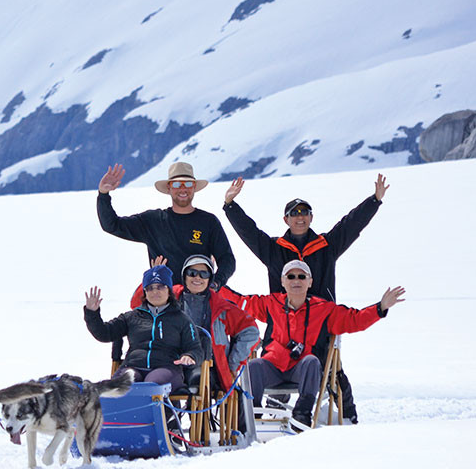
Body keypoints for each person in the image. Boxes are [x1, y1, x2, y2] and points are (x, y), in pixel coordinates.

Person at [219, 260, 406, 428]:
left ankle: (302, 415)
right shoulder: (271, 303)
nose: (296, 281)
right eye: (291, 276)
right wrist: (213, 283)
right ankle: (251, 416)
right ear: (283, 281)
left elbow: (354, 320)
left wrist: (380, 308)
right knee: (254, 365)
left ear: (310, 282)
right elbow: (239, 302)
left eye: (302, 277)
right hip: (274, 366)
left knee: (312, 361)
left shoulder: (324, 309)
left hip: (304, 371)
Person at [221, 174, 389, 300]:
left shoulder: (327, 246)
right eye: (294, 213)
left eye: (304, 213)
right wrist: (230, 205)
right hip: (284, 322)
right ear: (286, 220)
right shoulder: (273, 249)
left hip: (322, 321)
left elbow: (351, 224)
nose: (300, 217)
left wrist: (374, 201)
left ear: (311, 217)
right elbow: (248, 231)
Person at [98, 161, 236, 290]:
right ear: (169, 188)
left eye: (188, 184)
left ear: (194, 187)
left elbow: (227, 259)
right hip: (163, 299)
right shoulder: (152, 221)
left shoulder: (208, 222)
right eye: (176, 184)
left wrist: (216, 282)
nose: (182, 189)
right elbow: (112, 225)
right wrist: (103, 194)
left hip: (199, 299)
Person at [83, 265, 203, 394]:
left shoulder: (181, 319)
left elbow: (195, 348)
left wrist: (189, 356)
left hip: (166, 368)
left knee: (151, 386)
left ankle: (156, 407)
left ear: (169, 290)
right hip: (133, 366)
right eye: (150, 288)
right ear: (145, 292)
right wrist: (92, 313)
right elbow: (104, 333)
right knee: (119, 386)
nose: (155, 291)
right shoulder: (132, 317)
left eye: (160, 287)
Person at [172, 255, 259, 393]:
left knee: (199, 382)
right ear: (184, 276)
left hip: (207, 366)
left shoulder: (221, 306)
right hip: (172, 363)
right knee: (159, 381)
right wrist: (156, 274)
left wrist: (233, 363)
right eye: (192, 273)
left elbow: (250, 331)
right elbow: (141, 303)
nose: (197, 278)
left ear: (210, 279)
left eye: (204, 274)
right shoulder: (169, 297)